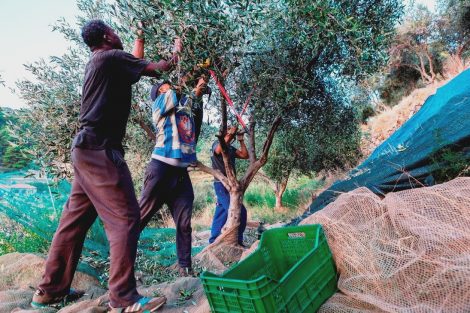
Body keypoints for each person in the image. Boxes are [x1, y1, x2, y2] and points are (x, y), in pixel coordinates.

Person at [31, 19, 181, 312]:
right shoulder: (111, 58)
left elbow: (136, 64)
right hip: (100, 151)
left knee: (72, 224)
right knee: (125, 220)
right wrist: (177, 51)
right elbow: (159, 68)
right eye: (115, 31)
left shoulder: (104, 61)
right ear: (107, 36)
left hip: (86, 150)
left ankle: (49, 292)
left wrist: (140, 34)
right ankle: (123, 298)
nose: (118, 34)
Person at [138, 75, 208, 277]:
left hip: (180, 174)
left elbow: (192, 98)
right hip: (160, 169)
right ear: (161, 90)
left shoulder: (182, 108)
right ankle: (122, 264)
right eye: (166, 84)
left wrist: (201, 83)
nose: (169, 83)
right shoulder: (160, 103)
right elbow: (177, 90)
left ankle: (185, 268)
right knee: (140, 219)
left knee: (184, 224)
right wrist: (186, 78)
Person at [209, 126, 249, 245]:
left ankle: (213, 241)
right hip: (221, 185)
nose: (231, 132)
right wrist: (230, 134)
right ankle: (238, 241)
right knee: (240, 211)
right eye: (228, 130)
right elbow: (218, 150)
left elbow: (244, 155)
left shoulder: (230, 147)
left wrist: (241, 140)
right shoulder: (217, 144)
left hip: (231, 185)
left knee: (221, 212)